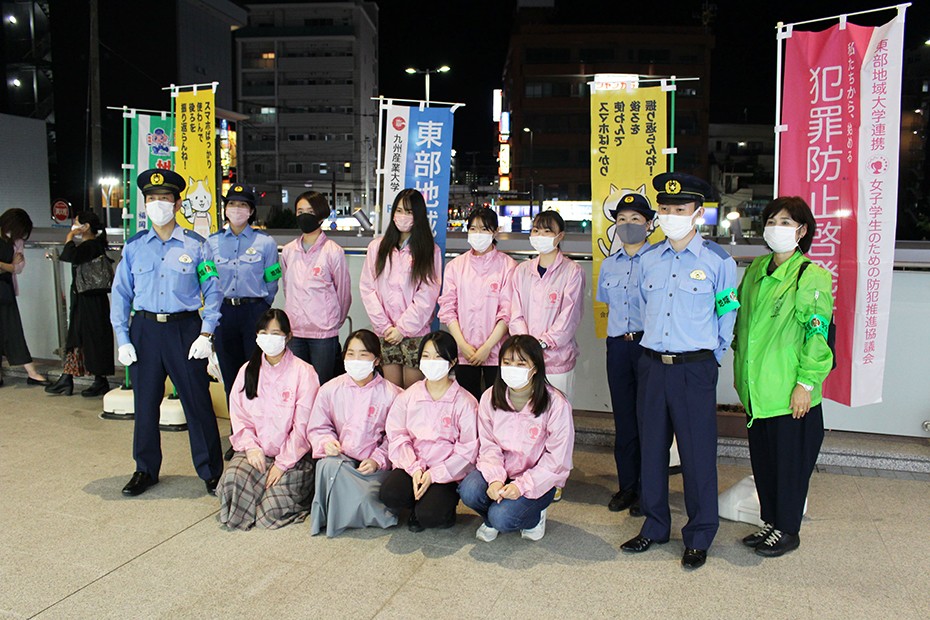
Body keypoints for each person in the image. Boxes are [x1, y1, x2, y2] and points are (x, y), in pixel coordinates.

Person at [620, 172, 737, 570]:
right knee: (652, 450)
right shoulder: (649, 259)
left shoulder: (718, 262)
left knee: (696, 454)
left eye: (680, 209)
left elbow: (727, 314)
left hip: (694, 370)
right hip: (652, 366)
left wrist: (712, 358)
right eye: (666, 209)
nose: (671, 215)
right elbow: (639, 306)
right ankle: (654, 526)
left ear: (698, 213)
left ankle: (700, 533)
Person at [110, 169, 224, 497]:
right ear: (145, 204)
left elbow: (213, 292)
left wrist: (206, 334)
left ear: (177, 204)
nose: (157, 204)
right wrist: (123, 338)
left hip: (184, 329)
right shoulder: (134, 247)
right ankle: (145, 469)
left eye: (164, 198)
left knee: (197, 402)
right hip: (144, 329)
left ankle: (211, 472)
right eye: (151, 199)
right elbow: (121, 294)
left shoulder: (197, 246)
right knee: (145, 404)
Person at [733, 196, 833, 558]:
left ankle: (788, 529)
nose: (777, 228)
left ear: (802, 231)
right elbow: (739, 320)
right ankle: (771, 523)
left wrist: (806, 384)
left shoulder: (811, 275)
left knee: (790, 468)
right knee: (766, 465)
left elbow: (818, 335)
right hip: (756, 391)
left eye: (787, 222)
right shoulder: (757, 269)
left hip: (790, 392)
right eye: (772, 220)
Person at [458, 335, 574, 542]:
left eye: (521, 363)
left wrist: (521, 486)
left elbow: (556, 460)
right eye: (507, 362)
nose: (513, 368)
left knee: (502, 517)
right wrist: (495, 480)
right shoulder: (490, 397)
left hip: (538, 479)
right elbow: (488, 446)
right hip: (502, 472)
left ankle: (532, 518)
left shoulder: (556, 404)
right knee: (469, 490)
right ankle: (493, 516)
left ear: (535, 368)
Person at [219, 308, 319, 530]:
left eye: (275, 333)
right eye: (264, 332)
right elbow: (239, 417)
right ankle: (257, 490)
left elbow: (303, 427)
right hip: (258, 453)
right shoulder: (247, 371)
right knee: (233, 480)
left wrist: (282, 464)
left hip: (294, 458)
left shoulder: (304, 373)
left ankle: (293, 497)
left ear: (288, 336)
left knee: (269, 513)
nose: (269, 338)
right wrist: (251, 448)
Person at [307, 329, 403, 537]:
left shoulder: (392, 394)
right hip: (341, 458)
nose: (356, 360)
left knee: (369, 498)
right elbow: (318, 427)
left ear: (376, 360)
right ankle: (346, 508)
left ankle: (348, 507)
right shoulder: (330, 389)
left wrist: (378, 459)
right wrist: (327, 442)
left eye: (363, 354)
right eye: (351, 354)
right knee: (328, 467)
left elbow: (396, 437)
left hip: (372, 467)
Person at [379, 331, 478, 531]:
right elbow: (397, 435)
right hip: (413, 465)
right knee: (390, 494)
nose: (431, 362)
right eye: (426, 356)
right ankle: (417, 501)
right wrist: (414, 468)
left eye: (438, 357)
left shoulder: (465, 402)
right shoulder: (409, 396)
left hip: (447, 472)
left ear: (452, 362)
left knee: (432, 516)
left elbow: (468, 450)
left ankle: (436, 507)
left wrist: (434, 475)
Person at [596, 193, 655, 516]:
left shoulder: (659, 261)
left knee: (650, 420)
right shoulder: (609, 264)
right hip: (618, 345)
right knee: (624, 420)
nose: (628, 225)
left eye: (635, 219)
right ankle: (627, 487)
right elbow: (607, 301)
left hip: (649, 346)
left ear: (648, 224)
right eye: (621, 220)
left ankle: (649, 490)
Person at [359, 189, 442, 389]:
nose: (402, 216)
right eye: (398, 210)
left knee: (413, 392)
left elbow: (427, 296)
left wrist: (402, 329)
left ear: (419, 216)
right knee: (390, 391)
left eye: (409, 212)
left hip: (415, 333)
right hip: (384, 332)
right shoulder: (376, 247)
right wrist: (387, 327)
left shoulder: (430, 251)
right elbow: (367, 289)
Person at [207, 185, 281, 406]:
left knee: (255, 371)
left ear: (251, 211)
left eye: (242, 205)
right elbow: (207, 279)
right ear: (225, 209)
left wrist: (261, 305)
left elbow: (272, 278)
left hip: (254, 312)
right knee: (229, 372)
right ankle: (237, 430)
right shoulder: (212, 242)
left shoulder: (265, 243)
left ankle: (257, 427)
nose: (236, 209)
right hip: (224, 312)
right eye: (232, 204)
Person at [438, 207, 515, 400]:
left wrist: (488, 347)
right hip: (464, 351)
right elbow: (448, 308)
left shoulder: (508, 265)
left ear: (495, 231)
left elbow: (508, 311)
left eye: (483, 229)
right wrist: (462, 344)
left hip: (496, 351)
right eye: (473, 228)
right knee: (467, 404)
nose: (477, 234)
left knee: (497, 404)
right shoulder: (455, 266)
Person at [508, 209, 584, 401]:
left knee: (557, 415)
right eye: (536, 231)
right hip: (524, 359)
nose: (540, 236)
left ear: (560, 236)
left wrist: (542, 343)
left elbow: (569, 316)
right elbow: (515, 312)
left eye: (547, 232)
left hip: (556, 360)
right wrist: (525, 345)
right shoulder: (522, 270)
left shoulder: (572, 271)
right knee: (526, 417)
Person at [280, 191, 350, 384]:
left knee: (322, 385)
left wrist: (334, 321)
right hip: (295, 332)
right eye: (300, 211)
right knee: (298, 385)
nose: (304, 215)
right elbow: (288, 288)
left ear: (321, 215)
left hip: (323, 333)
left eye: (310, 211)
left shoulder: (333, 252)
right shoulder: (288, 251)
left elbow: (343, 293)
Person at [45, 211, 114, 397]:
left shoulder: (91, 245)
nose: (73, 226)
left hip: (90, 300)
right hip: (87, 299)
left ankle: (96, 380)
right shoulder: (92, 245)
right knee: (78, 338)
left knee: (89, 338)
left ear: (86, 227)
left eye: (76, 223)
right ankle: (68, 378)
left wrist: (69, 237)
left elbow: (70, 256)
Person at [0, 208, 49, 387]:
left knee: (13, 330)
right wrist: (10, 266)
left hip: (6, 291)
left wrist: (9, 267)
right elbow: (14, 266)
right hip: (4, 288)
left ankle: (32, 372)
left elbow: (19, 268)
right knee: (12, 330)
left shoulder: (16, 241)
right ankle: (32, 373)